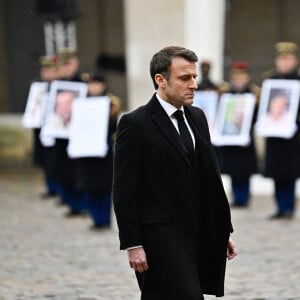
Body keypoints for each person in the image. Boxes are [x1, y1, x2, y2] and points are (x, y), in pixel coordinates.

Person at [113, 46, 237, 299]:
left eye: (194, 77)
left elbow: (208, 177)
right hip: (158, 236)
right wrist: (132, 244)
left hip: (197, 232)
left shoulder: (197, 117)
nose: (193, 85)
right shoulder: (135, 124)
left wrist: (221, 229)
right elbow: (124, 188)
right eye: (184, 78)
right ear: (161, 80)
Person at [75, 71, 121, 229]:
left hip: (103, 150)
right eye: (90, 84)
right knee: (88, 185)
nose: (93, 87)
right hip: (85, 149)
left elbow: (113, 127)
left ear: (102, 85)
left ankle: (105, 219)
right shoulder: (80, 102)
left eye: (96, 84)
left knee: (104, 186)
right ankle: (95, 218)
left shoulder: (111, 103)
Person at [262, 41, 300, 219]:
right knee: (276, 172)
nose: (284, 63)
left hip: (293, 137)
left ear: (295, 61)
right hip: (274, 134)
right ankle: (279, 206)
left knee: (290, 172)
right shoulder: (270, 81)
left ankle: (288, 207)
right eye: (281, 59)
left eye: (288, 59)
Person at [217, 62, 259, 208]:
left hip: (245, 141)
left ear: (247, 78)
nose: (239, 80)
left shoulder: (253, 95)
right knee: (233, 170)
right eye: (236, 78)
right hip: (231, 139)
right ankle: (237, 197)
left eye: (242, 77)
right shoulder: (227, 95)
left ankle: (244, 197)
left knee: (245, 171)